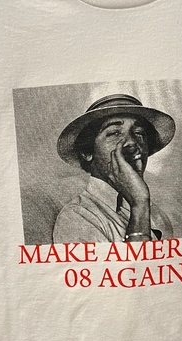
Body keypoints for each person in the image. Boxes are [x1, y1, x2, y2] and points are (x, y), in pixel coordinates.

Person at [53, 94, 175, 244]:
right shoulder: (77, 217)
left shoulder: (157, 215)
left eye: (139, 133)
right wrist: (139, 206)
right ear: (87, 152)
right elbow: (136, 260)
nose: (132, 143)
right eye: (114, 133)